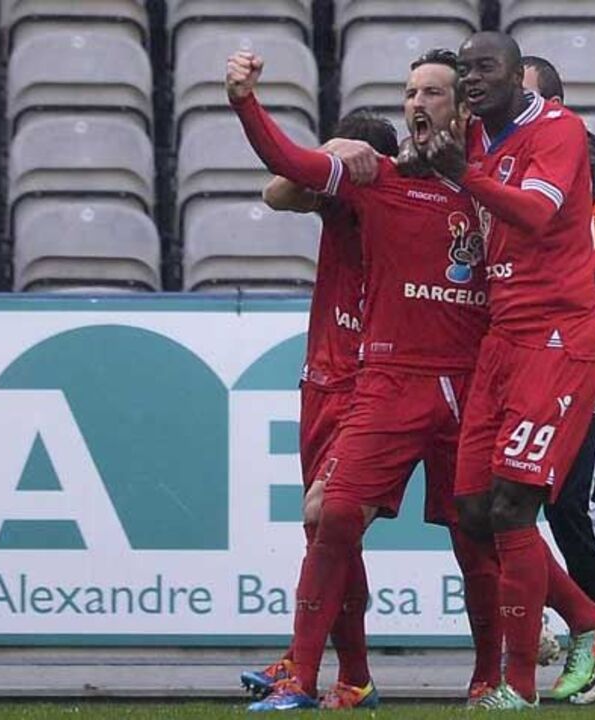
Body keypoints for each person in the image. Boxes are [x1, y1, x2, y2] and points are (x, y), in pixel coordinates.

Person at [227, 47, 490, 711]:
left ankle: (507, 665)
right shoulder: (368, 185)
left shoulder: (487, 185)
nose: (417, 103)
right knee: (330, 518)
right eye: (409, 92)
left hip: (459, 380)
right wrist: (252, 106)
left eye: (431, 92)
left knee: (479, 531)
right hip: (367, 379)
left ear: (463, 107)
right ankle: (331, 673)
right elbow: (282, 182)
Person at [422, 32, 595, 709]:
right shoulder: (474, 135)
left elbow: (538, 214)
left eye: (485, 68)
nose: (471, 80)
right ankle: (590, 623)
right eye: (465, 70)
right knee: (473, 510)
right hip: (501, 338)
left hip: (558, 336)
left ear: (519, 78)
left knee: (520, 504)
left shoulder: (557, 130)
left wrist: (464, 173)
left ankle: (516, 686)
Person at [239, 112, 399, 709]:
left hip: (375, 385)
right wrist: (333, 149)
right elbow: (276, 192)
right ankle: (348, 674)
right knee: (329, 529)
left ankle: (310, 667)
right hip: (321, 382)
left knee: (328, 517)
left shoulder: (404, 206)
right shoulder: (334, 203)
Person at [522, 57, 595, 633]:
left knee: (570, 494)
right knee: (496, 498)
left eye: (518, 96)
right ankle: (540, 621)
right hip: (528, 341)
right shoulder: (492, 151)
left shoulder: (573, 151)